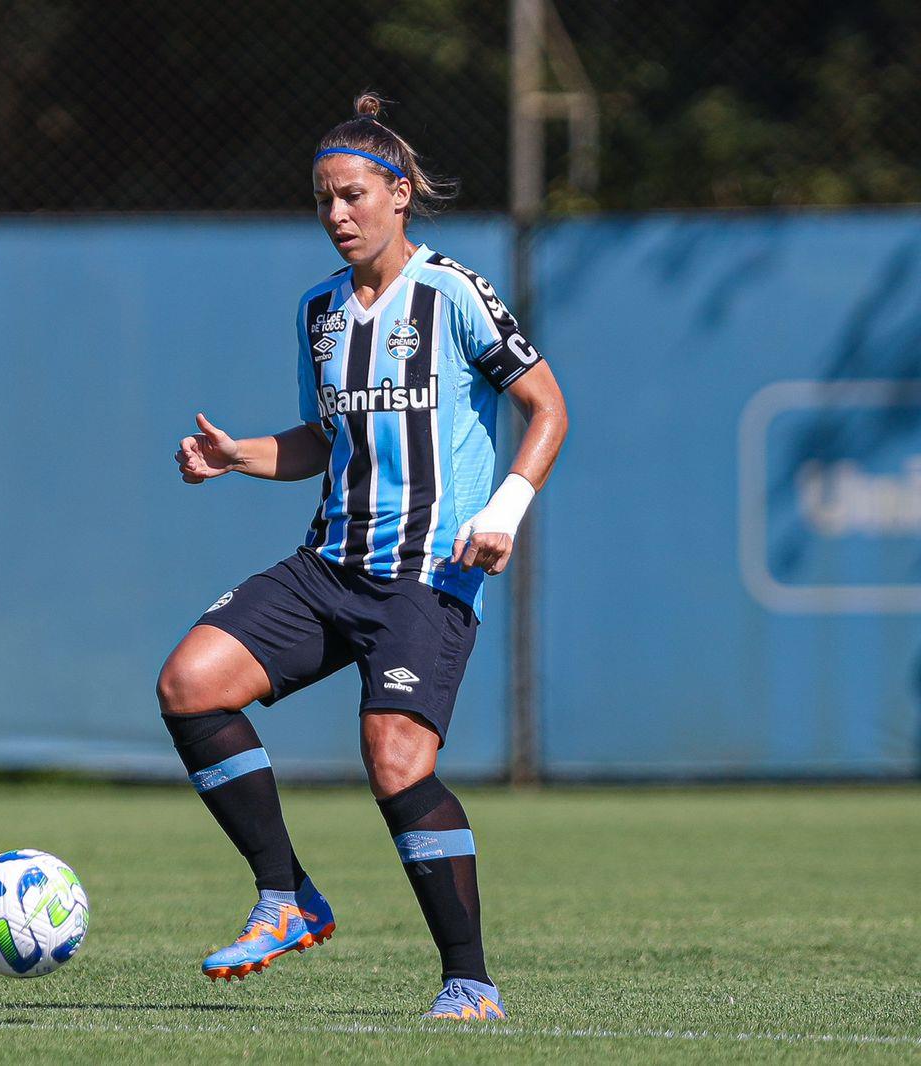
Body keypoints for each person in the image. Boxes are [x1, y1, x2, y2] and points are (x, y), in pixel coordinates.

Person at [158, 93, 568, 1020]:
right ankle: (286, 895)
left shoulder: (454, 291)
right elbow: (320, 440)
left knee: (394, 761)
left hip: (429, 575)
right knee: (191, 682)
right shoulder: (319, 312)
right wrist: (238, 457)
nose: (337, 215)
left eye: (352, 195)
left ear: (398, 195)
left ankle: (469, 981)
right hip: (327, 565)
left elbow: (549, 408)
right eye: (323, 200)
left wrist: (505, 509)